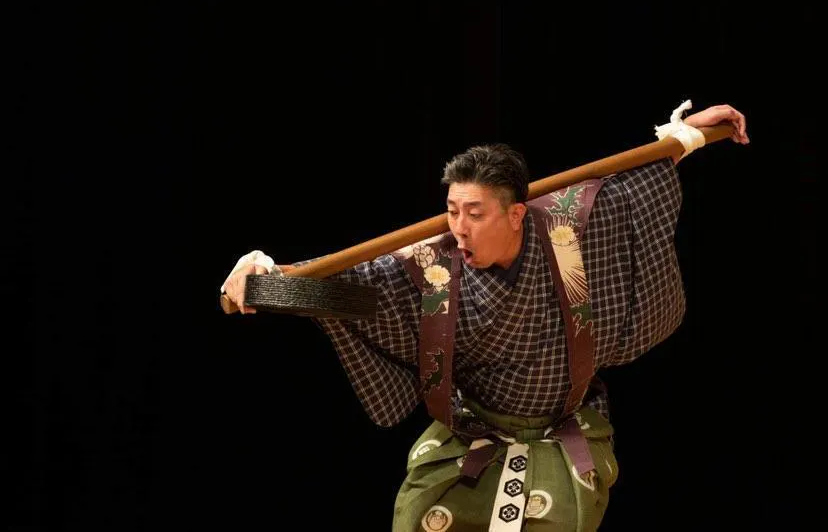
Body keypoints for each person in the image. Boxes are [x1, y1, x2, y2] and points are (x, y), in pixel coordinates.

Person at [220, 101, 749, 531]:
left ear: (516, 213)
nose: (459, 227)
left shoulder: (567, 231)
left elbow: (632, 187)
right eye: (452, 211)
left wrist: (686, 135)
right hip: (468, 438)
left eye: (475, 213)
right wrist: (266, 277)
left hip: (560, 438)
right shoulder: (432, 269)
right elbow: (350, 290)